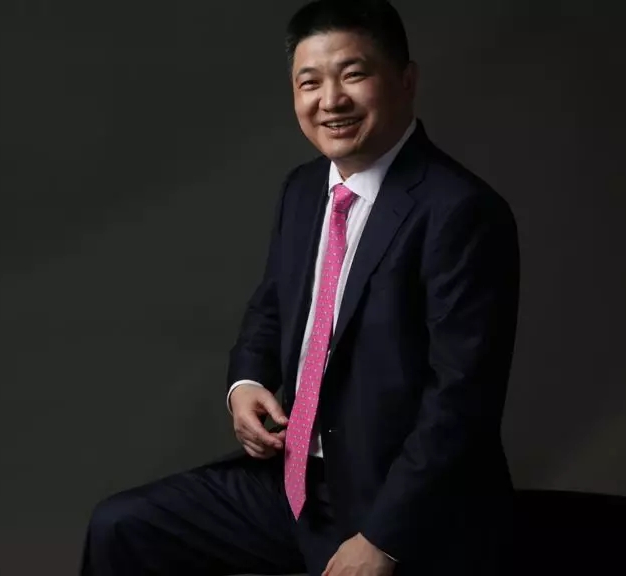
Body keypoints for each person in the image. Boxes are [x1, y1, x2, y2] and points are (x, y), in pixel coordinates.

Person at [80, 1, 520, 574]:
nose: (330, 100)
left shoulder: (461, 210)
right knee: (122, 527)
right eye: (309, 82)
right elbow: (271, 306)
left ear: (406, 80)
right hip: (298, 486)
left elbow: (462, 401)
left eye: (353, 75)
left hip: (403, 506)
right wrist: (245, 383)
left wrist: (384, 539)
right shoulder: (304, 189)